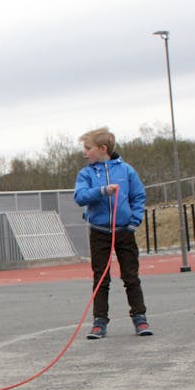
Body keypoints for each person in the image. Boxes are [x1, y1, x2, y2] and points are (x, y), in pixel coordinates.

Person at [73, 127, 153, 339]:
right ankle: (100, 322)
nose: (85, 152)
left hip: (124, 231)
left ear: (102, 149)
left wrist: (134, 222)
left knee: (131, 276)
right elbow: (79, 196)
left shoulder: (126, 170)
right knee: (101, 278)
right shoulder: (86, 173)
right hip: (99, 232)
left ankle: (140, 318)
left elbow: (138, 196)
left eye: (88, 148)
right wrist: (101, 191)